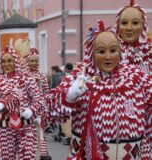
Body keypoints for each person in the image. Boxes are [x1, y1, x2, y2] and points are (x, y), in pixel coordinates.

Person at [47, 21, 151, 159]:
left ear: (120, 52)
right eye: (101, 51)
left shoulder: (137, 77)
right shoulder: (80, 77)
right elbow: (48, 110)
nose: (108, 57)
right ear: (92, 53)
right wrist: (69, 96)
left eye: (113, 50)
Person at [0, 46, 43, 159]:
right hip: (5, 125)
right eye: (3, 61)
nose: (6, 64)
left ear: (15, 61)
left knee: (27, 156)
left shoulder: (26, 77)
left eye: (9, 61)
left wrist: (31, 110)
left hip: (26, 124)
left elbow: (39, 98)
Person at [116, 1, 152, 158]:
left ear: (143, 25)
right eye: (124, 23)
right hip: (116, 119)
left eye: (135, 23)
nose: (129, 28)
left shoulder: (150, 51)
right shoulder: (109, 50)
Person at [25, 48, 51, 159]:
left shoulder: (42, 76)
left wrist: (46, 107)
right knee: (29, 133)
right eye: (32, 61)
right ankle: (29, 154)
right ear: (28, 62)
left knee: (40, 132)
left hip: (40, 109)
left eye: (36, 61)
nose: (34, 63)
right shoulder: (24, 76)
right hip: (28, 109)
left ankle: (43, 155)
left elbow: (47, 93)